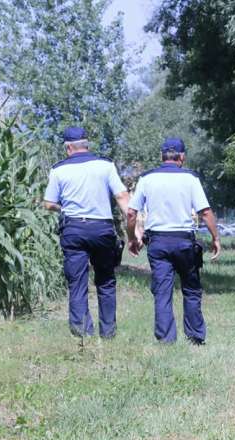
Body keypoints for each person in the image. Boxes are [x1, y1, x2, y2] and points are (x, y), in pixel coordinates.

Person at [126, 137, 220, 345]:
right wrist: (216, 238)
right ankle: (195, 337)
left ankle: (166, 340)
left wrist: (133, 238)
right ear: (182, 157)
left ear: (161, 157)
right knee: (191, 289)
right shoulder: (190, 179)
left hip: (158, 242)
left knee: (162, 291)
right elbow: (205, 212)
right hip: (184, 242)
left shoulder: (147, 179)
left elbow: (131, 213)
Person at [43, 126, 130, 339]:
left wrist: (64, 208)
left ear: (68, 147)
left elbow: (48, 204)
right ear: (87, 144)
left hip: (74, 229)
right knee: (106, 280)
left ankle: (83, 333)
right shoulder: (105, 166)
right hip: (102, 229)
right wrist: (134, 228)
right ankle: (108, 332)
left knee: (77, 282)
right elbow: (121, 196)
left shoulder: (58, 170)